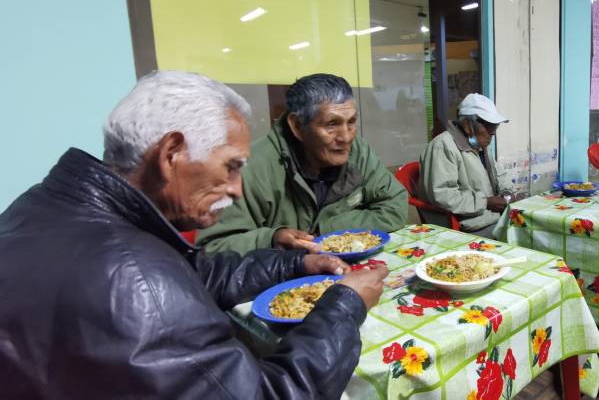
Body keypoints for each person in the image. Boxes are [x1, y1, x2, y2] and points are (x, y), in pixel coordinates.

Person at [0, 71, 389, 399]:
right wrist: (345, 304)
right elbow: (273, 393)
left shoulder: (45, 206)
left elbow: (192, 272)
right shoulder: (139, 282)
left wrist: (294, 262)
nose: (237, 189)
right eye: (230, 167)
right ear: (171, 153)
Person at [197, 73, 407, 254]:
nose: (346, 137)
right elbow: (213, 246)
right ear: (297, 126)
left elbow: (395, 206)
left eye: (351, 122)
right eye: (332, 124)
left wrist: (325, 231)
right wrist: (272, 238)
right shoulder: (253, 167)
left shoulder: (357, 152)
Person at [417, 93, 515, 238]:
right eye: (488, 126)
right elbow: (443, 195)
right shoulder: (442, 146)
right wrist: (485, 202)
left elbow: (499, 175)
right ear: (468, 124)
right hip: (470, 225)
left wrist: (507, 193)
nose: (493, 132)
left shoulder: (479, 145)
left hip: (494, 218)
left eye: (495, 126)